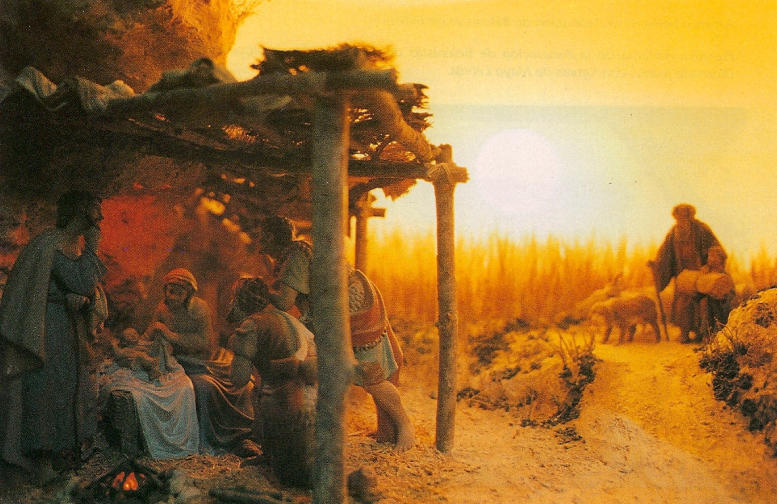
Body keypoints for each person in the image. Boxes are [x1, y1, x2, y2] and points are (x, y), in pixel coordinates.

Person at [257, 215, 414, 452]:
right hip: (343, 302)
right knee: (361, 370)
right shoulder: (293, 253)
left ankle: (404, 425)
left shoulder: (295, 257)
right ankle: (387, 431)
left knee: (367, 372)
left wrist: (262, 290)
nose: (259, 240)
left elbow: (284, 301)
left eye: (263, 236)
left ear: (272, 237)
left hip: (351, 306)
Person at [0, 190, 107, 481]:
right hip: (48, 325)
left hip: (68, 325)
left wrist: (85, 301)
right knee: (47, 389)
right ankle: (43, 460)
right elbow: (80, 281)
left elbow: (86, 290)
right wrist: (93, 249)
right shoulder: (50, 243)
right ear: (80, 211)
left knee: (67, 388)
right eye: (95, 210)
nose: (100, 217)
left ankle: (64, 456)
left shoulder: (73, 244)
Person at [145, 268, 255, 455]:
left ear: (188, 295)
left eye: (178, 293)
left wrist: (172, 336)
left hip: (201, 361)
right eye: (170, 291)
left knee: (208, 387)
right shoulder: (162, 309)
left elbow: (205, 342)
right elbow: (151, 333)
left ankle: (222, 438)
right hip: (175, 361)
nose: (172, 296)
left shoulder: (200, 309)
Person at [229, 277, 317, 488]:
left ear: (240, 301)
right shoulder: (285, 317)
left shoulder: (252, 325)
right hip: (312, 401)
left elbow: (238, 378)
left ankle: (282, 466)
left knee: (260, 394)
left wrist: (237, 348)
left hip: (287, 403)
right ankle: (271, 456)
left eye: (233, 299)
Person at [650, 203, 724, 343]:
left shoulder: (701, 229)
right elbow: (665, 252)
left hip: (701, 273)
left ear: (690, 216)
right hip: (682, 274)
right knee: (682, 305)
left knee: (702, 304)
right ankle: (684, 333)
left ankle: (702, 333)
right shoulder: (673, 233)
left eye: (684, 217)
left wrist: (709, 264)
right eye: (679, 218)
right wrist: (657, 264)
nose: (681, 220)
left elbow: (715, 247)